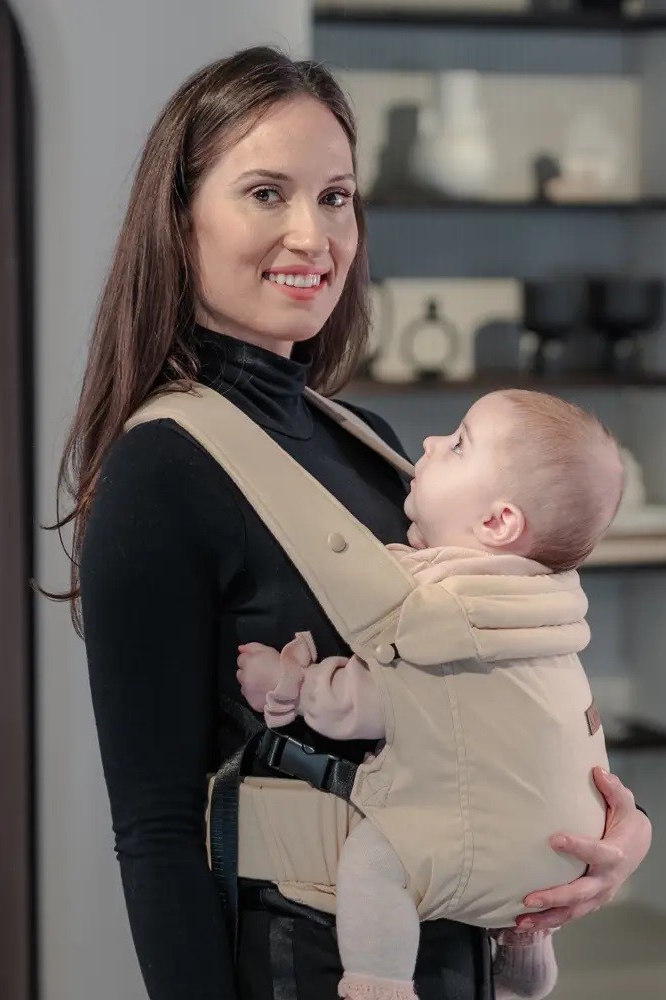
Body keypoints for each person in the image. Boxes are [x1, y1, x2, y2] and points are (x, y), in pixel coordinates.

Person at [57, 46, 653, 1000]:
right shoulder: (161, 472)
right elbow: (156, 830)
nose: (313, 235)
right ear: (179, 218)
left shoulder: (374, 447)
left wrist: (609, 831)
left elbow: (488, 701)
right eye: (266, 193)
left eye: (335, 197)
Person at [236, 389, 624, 1000]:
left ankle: (380, 986)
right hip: (570, 839)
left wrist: (291, 684)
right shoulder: (542, 600)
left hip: (484, 847)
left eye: (459, 443)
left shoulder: (442, 613)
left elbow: (371, 699)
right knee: (505, 825)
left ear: (497, 523)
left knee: (375, 862)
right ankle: (526, 945)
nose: (430, 443)